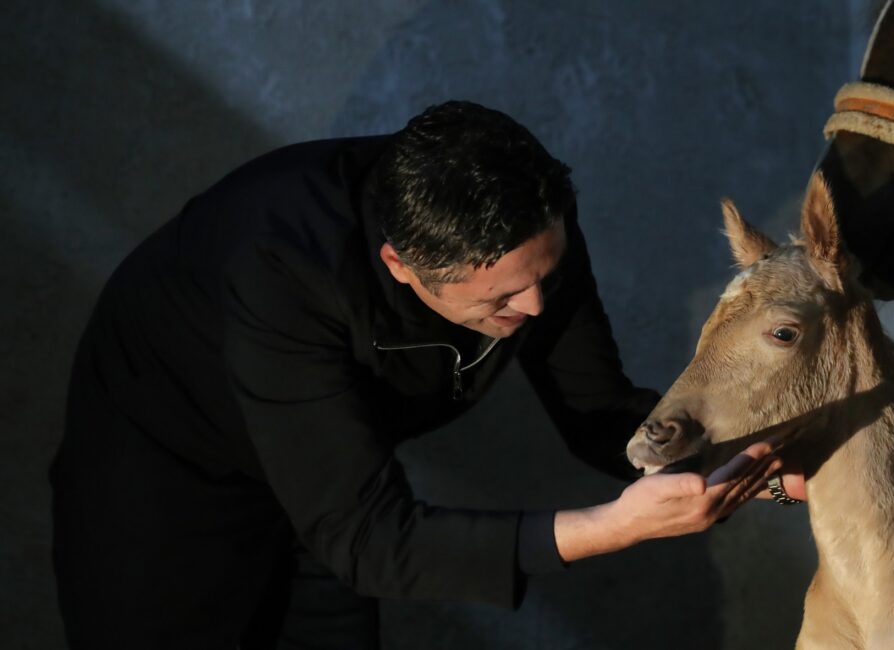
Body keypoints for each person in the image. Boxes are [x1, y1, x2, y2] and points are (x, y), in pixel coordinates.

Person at [50, 100, 798, 649]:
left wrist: (757, 469)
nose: (537, 307)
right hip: (170, 471)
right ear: (401, 267)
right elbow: (369, 539)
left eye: (546, 274)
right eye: (501, 299)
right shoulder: (282, 265)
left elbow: (597, 409)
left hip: (342, 481)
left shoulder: (529, 231)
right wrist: (612, 528)